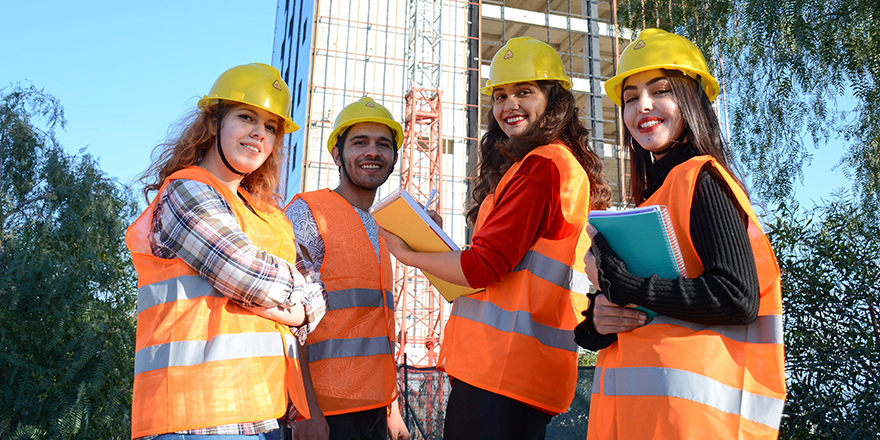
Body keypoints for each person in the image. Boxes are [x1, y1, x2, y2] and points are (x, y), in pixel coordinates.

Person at [379, 37, 611, 440]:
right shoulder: (552, 167)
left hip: (501, 374)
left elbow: (481, 269)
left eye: (525, 92)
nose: (509, 105)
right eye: (501, 95)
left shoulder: (542, 168)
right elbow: (500, 271)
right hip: (521, 373)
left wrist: (410, 254)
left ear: (554, 100)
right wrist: (437, 241)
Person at [575, 29, 787, 439]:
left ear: (691, 100)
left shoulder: (701, 179)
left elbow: (737, 298)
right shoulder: (651, 199)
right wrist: (597, 321)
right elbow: (614, 316)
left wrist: (628, 285)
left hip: (690, 424)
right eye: (631, 97)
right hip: (642, 419)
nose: (643, 106)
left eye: (660, 92)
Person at [127, 63, 327, 440]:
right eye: (247, 117)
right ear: (214, 123)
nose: (259, 133)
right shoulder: (187, 190)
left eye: (270, 127)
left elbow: (318, 295)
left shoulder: (269, 215)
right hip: (195, 417)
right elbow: (246, 275)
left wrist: (293, 301)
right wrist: (298, 305)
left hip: (267, 415)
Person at [284, 96, 411, 440]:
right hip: (326, 410)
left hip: (375, 410)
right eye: (360, 142)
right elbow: (287, 319)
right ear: (337, 154)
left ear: (393, 158)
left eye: (383, 145)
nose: (373, 152)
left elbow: (379, 327)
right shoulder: (307, 212)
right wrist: (306, 410)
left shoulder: (383, 226)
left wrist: (392, 408)